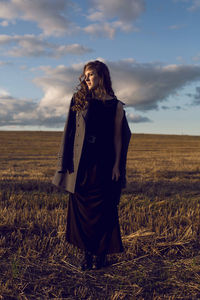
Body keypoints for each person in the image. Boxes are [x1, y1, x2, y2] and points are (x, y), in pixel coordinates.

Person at [52, 60, 131, 270]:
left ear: (102, 76)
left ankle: (102, 256)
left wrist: (116, 166)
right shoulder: (79, 100)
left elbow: (118, 138)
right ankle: (87, 255)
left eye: (91, 74)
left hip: (104, 165)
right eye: (85, 75)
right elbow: (68, 132)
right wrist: (64, 163)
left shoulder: (115, 105)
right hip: (82, 165)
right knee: (82, 211)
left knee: (105, 210)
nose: (87, 78)